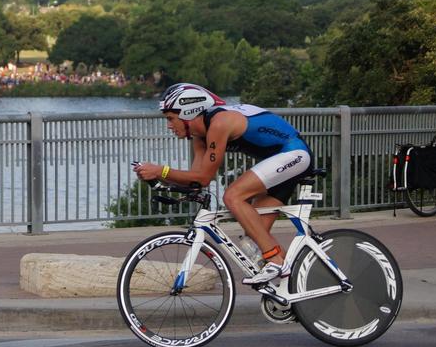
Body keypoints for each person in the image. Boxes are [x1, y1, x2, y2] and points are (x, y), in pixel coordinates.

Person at [133, 83, 314, 285]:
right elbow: (196, 180)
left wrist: (161, 170)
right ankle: (295, 286)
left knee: (233, 196)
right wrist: (156, 177)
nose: (169, 125)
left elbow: (203, 178)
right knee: (253, 240)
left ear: (187, 112)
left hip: (294, 154)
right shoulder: (200, 135)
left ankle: (276, 262)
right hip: (278, 164)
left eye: (170, 119)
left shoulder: (219, 123)